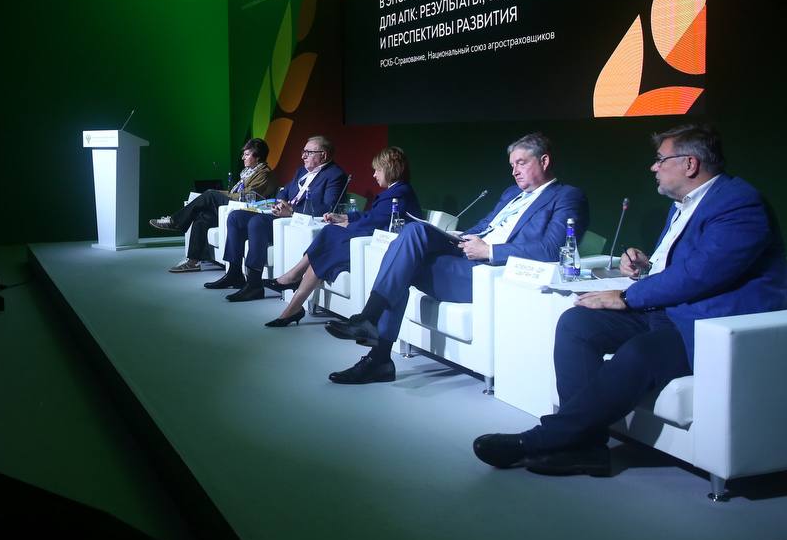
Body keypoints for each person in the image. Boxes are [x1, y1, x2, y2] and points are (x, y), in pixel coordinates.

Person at [474, 124, 787, 477]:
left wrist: (626, 296)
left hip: (707, 323)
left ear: (690, 164)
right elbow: (684, 264)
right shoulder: (684, 204)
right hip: (670, 309)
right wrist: (647, 265)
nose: (653, 167)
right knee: (577, 323)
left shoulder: (739, 204)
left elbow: (702, 273)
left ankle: (542, 439)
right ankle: (587, 448)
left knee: (639, 352)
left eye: (660, 159)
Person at [325, 132, 588, 384]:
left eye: (521, 163)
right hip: (466, 255)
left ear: (544, 161)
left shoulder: (567, 196)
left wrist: (489, 251)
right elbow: (485, 225)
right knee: (414, 233)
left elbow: (553, 249)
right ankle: (374, 340)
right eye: (512, 165)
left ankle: (376, 347)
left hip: (489, 272)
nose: (514, 171)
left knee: (405, 262)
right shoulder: (512, 194)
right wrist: (458, 236)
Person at [264, 146, 420, 326]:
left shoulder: (399, 193)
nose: (374, 175)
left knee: (330, 234)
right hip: (370, 240)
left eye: (377, 170)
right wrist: (345, 217)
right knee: (329, 237)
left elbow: (375, 222)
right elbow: (372, 216)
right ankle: (293, 300)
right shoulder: (397, 190)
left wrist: (348, 224)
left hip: (378, 248)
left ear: (389, 169)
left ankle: (293, 283)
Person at [205, 136, 349, 302]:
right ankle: (234, 273)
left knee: (257, 222)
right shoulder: (302, 171)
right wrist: (281, 203)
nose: (303, 156)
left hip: (297, 222)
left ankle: (254, 284)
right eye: (303, 152)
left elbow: (328, 207)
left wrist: (292, 211)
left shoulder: (335, 175)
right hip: (281, 215)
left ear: (323, 155)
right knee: (235, 217)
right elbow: (283, 191)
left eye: (308, 152)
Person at [149, 139, 274, 273]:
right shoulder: (248, 172)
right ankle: (193, 262)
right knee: (203, 216)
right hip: (235, 205)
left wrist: (219, 194)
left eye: (247, 154)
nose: (243, 157)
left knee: (210, 194)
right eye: (243, 154)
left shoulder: (264, 173)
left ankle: (174, 221)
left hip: (245, 209)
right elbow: (235, 193)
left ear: (258, 157)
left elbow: (248, 195)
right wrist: (222, 194)